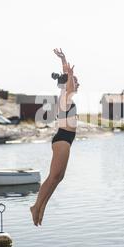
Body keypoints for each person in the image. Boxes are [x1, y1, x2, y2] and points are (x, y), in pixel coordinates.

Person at [30, 48, 79, 226]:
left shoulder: (67, 98)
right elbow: (68, 84)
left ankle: (41, 207)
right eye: (75, 81)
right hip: (62, 140)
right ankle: (36, 206)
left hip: (65, 140)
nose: (77, 84)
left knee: (58, 177)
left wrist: (68, 70)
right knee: (53, 176)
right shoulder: (65, 96)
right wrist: (66, 64)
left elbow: (69, 84)